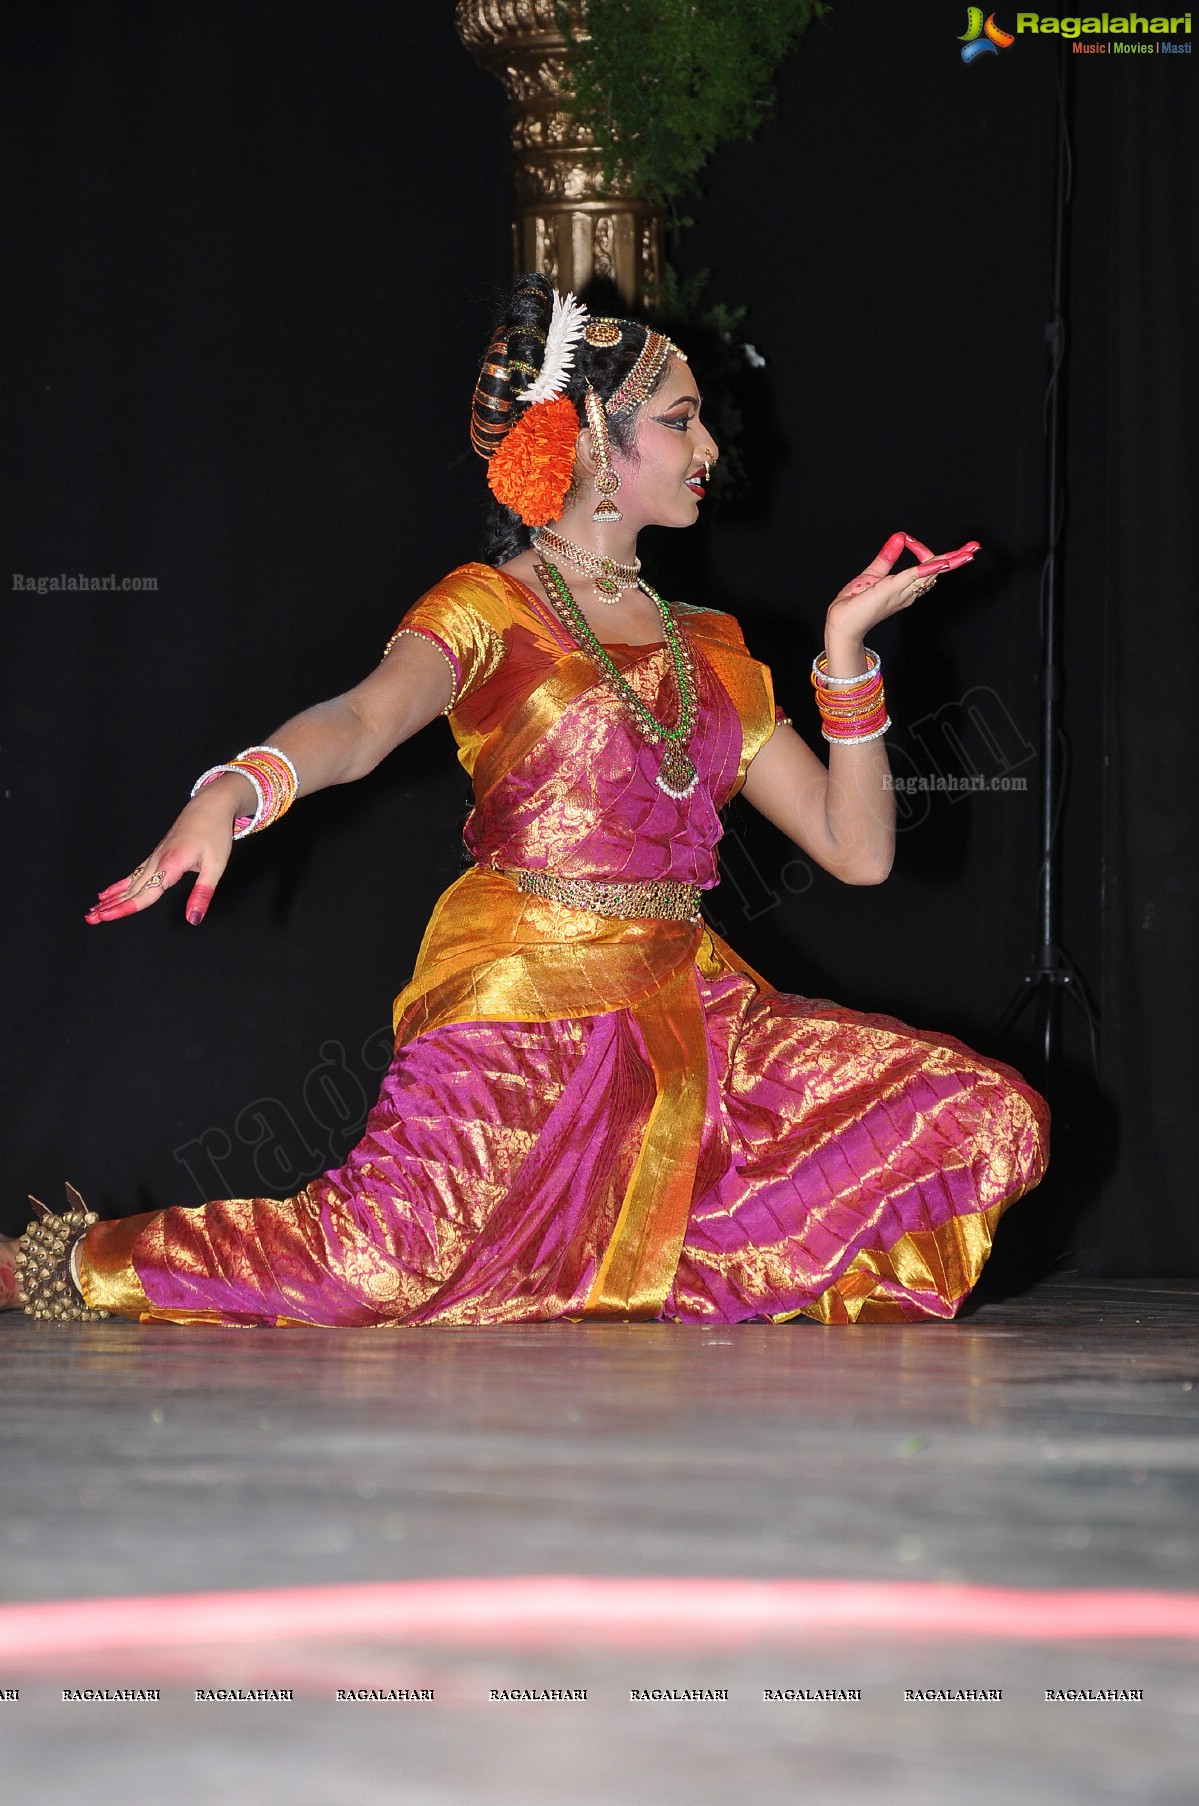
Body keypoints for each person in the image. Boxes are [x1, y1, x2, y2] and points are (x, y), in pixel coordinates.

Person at [4, 274, 1048, 1329]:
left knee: (985, 1119)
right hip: (516, 1002)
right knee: (370, 1271)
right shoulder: (487, 608)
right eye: (681, 423)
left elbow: (856, 849)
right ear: (595, 434)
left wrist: (845, 655)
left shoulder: (714, 652)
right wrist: (235, 787)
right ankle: (72, 1264)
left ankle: (637, 1252)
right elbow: (361, 726)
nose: (708, 453)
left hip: (688, 1024)